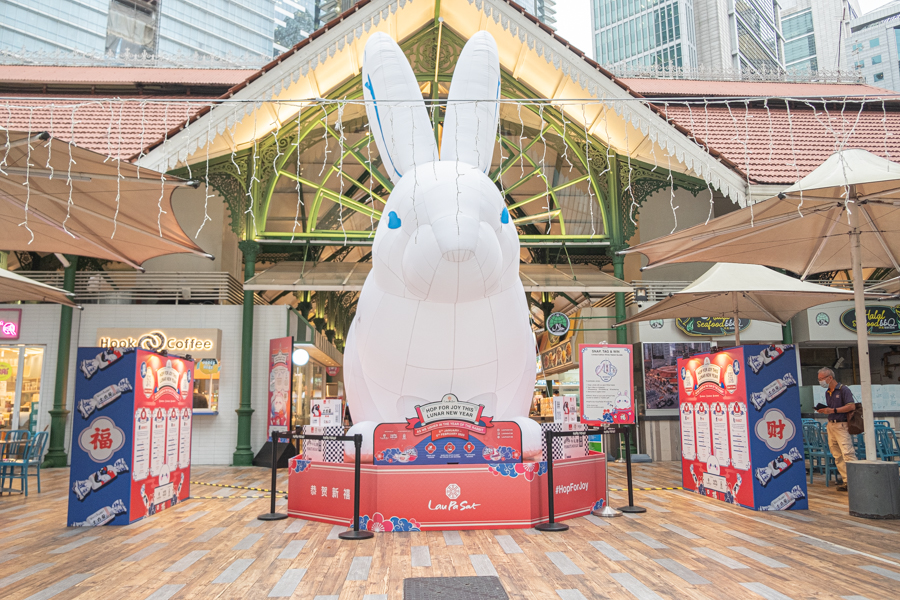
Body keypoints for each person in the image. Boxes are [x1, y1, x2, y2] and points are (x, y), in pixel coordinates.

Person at [816, 367, 857, 491]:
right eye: (819, 379)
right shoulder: (828, 392)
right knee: (837, 455)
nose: (820, 382)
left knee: (847, 453)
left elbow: (851, 406)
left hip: (842, 424)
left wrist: (833, 410)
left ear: (830, 377)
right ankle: (846, 481)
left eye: (821, 379)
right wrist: (825, 410)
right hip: (831, 424)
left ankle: (856, 482)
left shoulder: (843, 389)